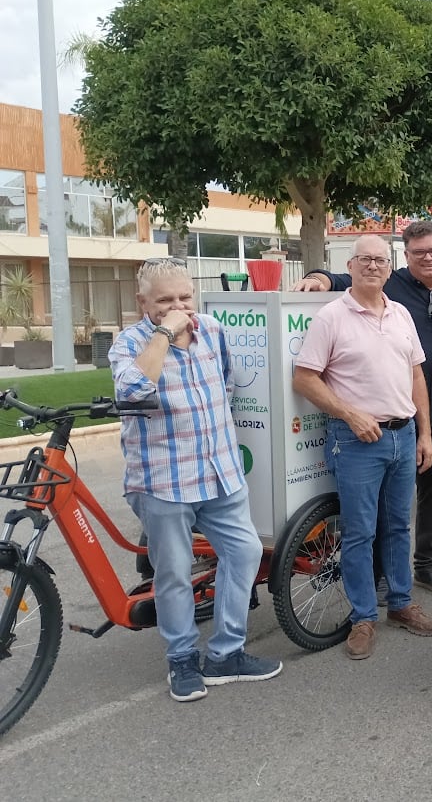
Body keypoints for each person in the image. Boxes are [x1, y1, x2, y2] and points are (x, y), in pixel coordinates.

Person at [110, 258, 282, 703]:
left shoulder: (213, 330)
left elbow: (225, 384)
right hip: (163, 480)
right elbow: (131, 391)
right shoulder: (130, 343)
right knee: (172, 573)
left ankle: (226, 654)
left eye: (184, 297)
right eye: (165, 300)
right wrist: (164, 333)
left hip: (220, 472)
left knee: (244, 553)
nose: (178, 306)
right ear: (142, 302)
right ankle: (181, 659)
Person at [294, 219, 432, 597]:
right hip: (388, 420)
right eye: (418, 253)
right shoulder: (388, 284)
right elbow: (346, 278)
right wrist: (318, 278)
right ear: (405, 257)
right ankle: (378, 580)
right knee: (378, 510)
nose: (428, 257)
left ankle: (426, 566)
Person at [293, 235, 432, 660]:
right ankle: (362, 617)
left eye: (380, 260)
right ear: (351, 265)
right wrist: (350, 414)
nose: (373, 266)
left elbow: (416, 378)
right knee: (359, 532)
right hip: (357, 440)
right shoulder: (331, 317)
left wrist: (425, 432)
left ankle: (400, 603)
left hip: (402, 433)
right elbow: (304, 379)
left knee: (397, 526)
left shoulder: (401, 316)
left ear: (390, 268)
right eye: (365, 259)